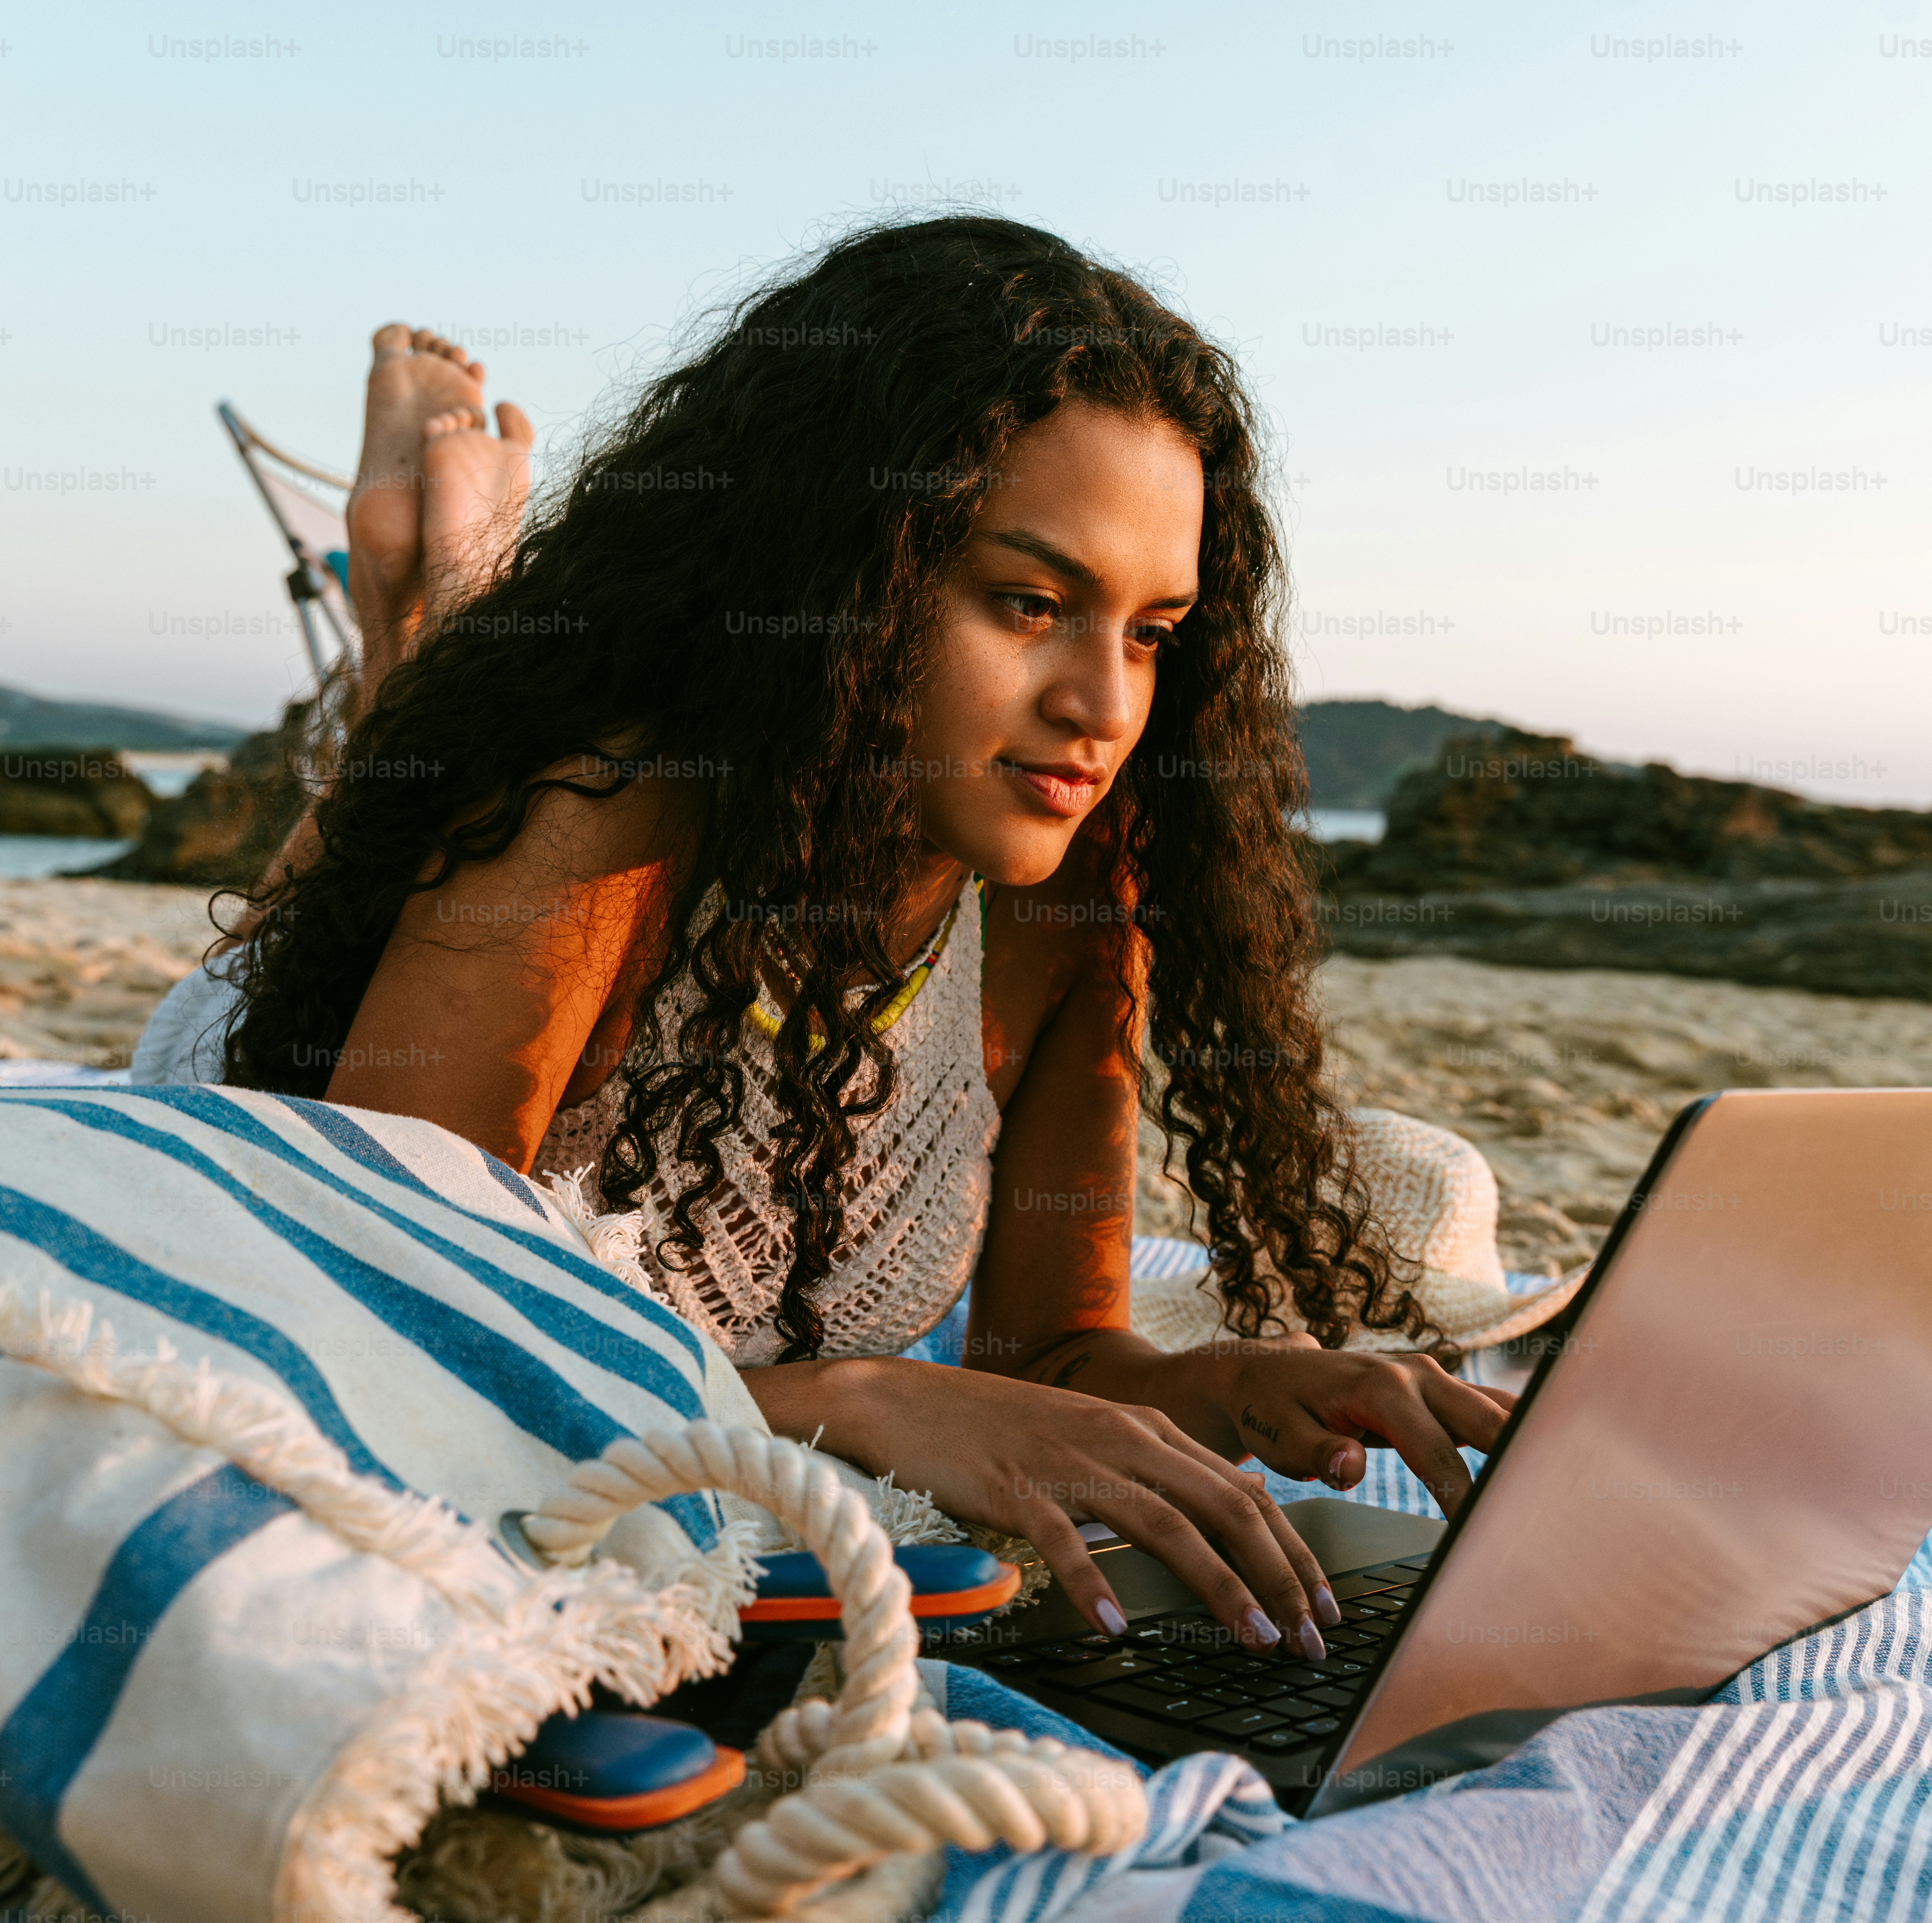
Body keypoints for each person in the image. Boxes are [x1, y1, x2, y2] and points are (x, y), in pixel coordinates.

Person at [137, 216, 1514, 1660]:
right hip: (267, 1068)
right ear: (843, 572)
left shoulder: (1066, 896)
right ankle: (425, 606)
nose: (1104, 706)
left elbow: (1043, 1357)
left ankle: (450, 610)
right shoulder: (601, 820)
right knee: (422, 774)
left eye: (1153, 630)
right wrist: (857, 1397)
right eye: (1030, 604)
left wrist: (1242, 1387)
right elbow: (384, 1323)